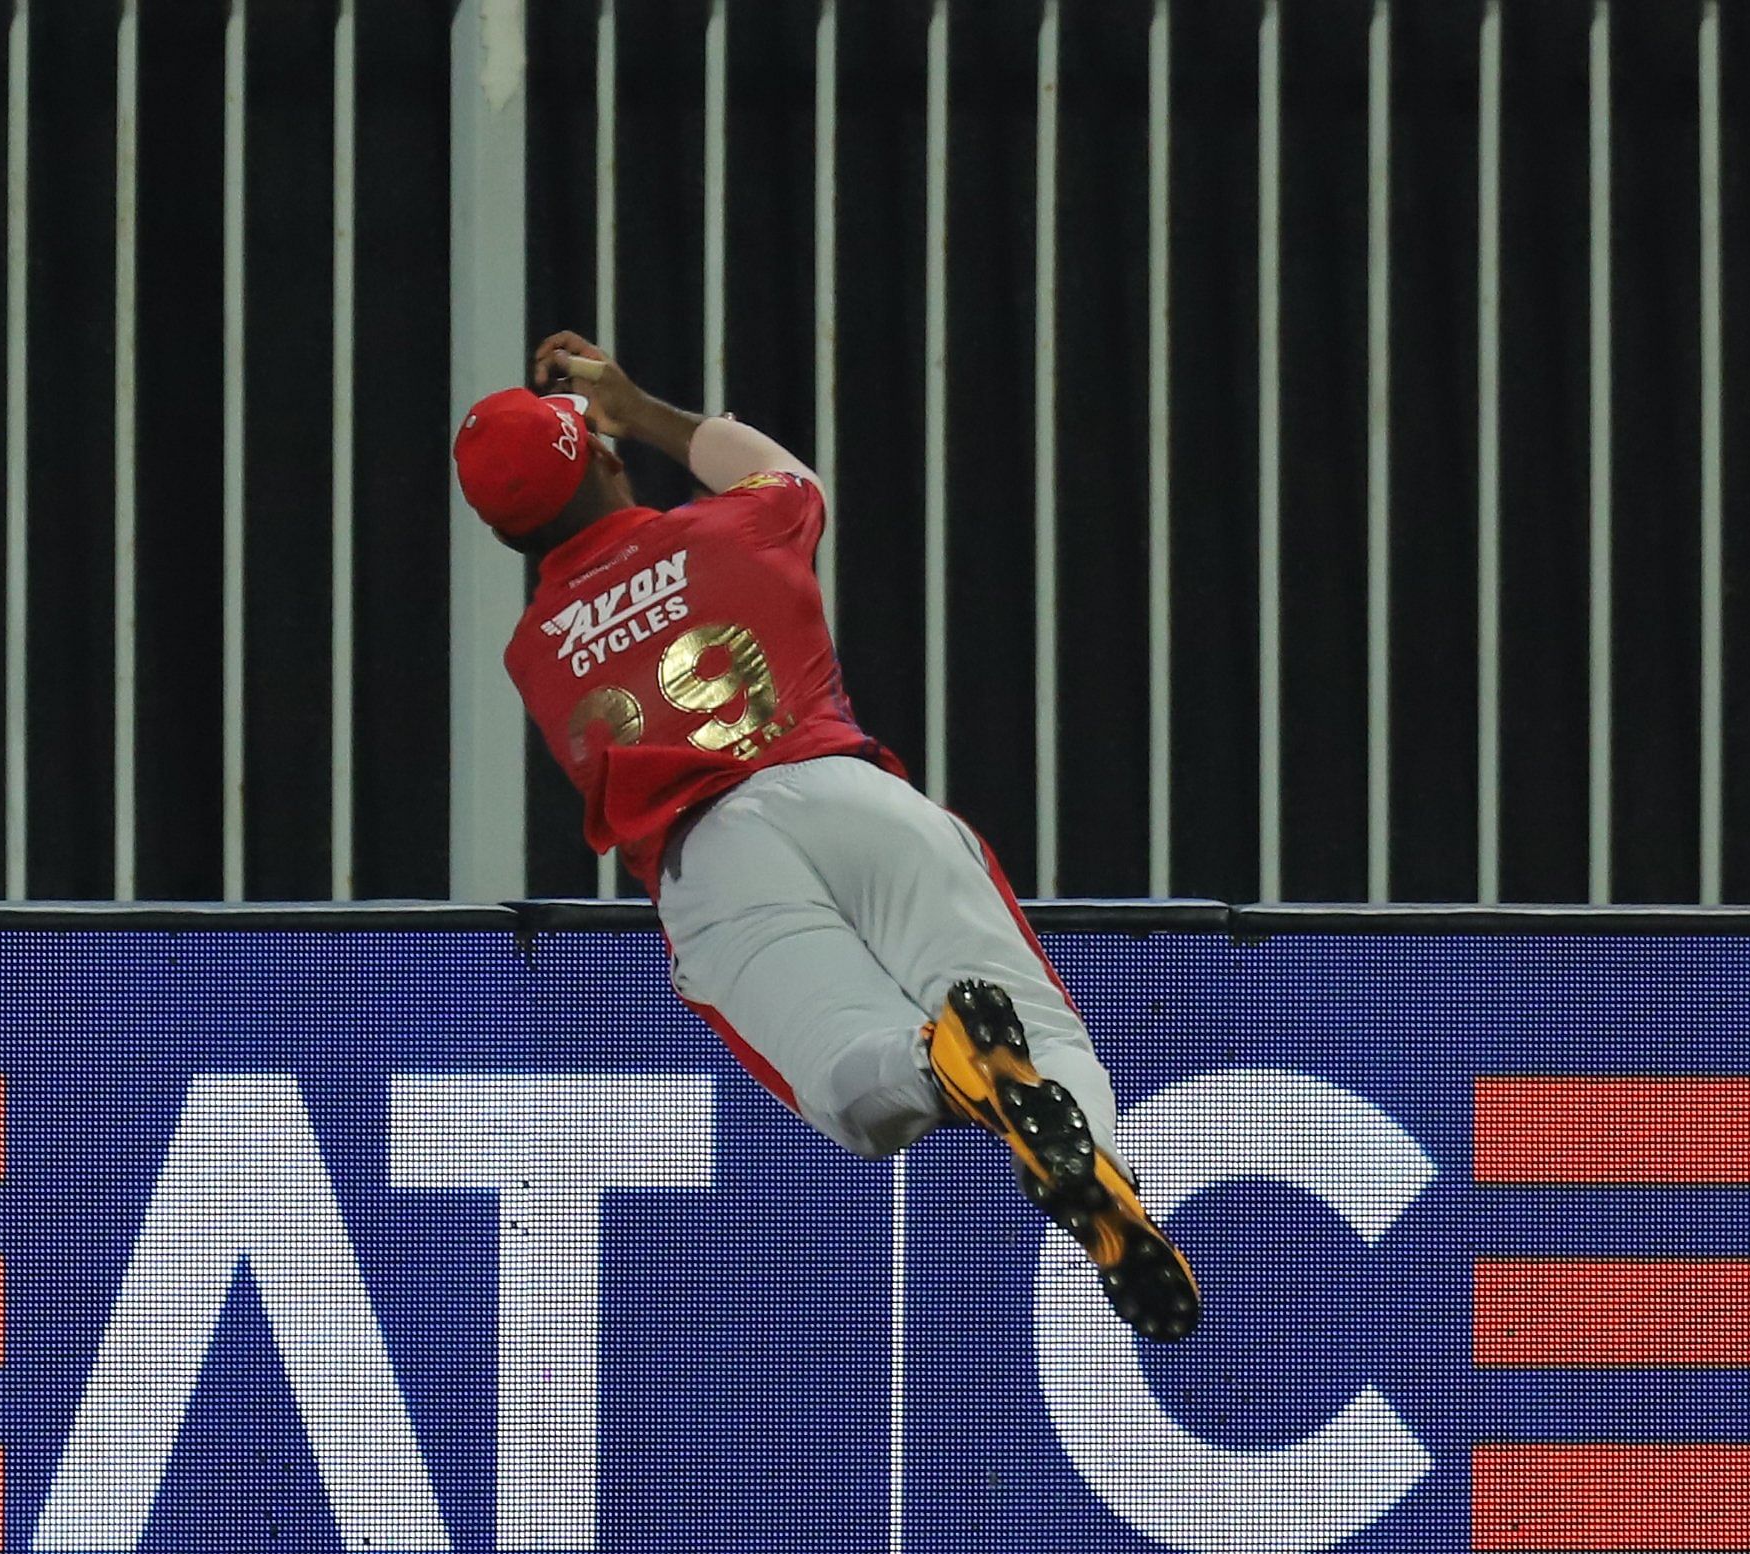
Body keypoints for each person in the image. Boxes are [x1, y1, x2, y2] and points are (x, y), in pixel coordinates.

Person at [451, 332, 1198, 1342]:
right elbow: (786, 474)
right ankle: (1101, 1174)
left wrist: (588, 458)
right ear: (606, 457)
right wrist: (639, 408)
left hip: (712, 856)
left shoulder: (532, 655)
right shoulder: (735, 529)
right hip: (848, 792)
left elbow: (575, 557)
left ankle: (944, 1067)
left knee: (857, 1092)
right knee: (1042, 1024)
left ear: (505, 538)